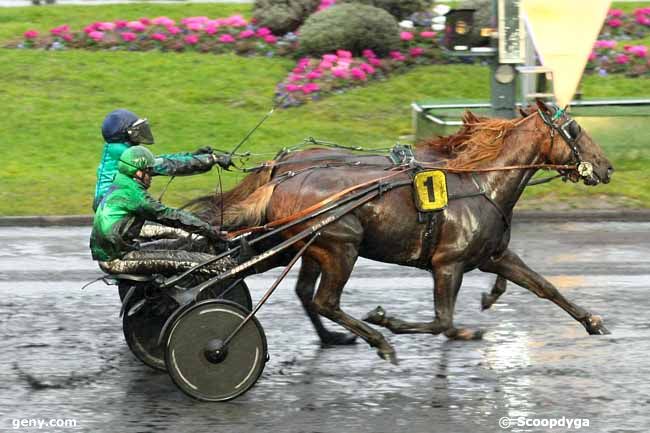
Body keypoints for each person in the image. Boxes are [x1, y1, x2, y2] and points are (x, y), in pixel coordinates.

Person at [90, 146, 234, 278]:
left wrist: (197, 157)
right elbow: (171, 216)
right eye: (149, 172)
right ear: (139, 172)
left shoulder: (121, 180)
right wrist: (209, 230)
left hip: (119, 251)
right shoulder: (134, 195)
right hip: (118, 259)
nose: (151, 176)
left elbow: (167, 162)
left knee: (185, 244)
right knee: (215, 264)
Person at [93, 109, 232, 211]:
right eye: (136, 129)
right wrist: (211, 159)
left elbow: (161, 159)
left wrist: (192, 156)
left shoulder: (119, 149)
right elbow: (165, 165)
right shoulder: (126, 153)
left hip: (116, 203)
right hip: (116, 206)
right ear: (126, 133)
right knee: (174, 228)